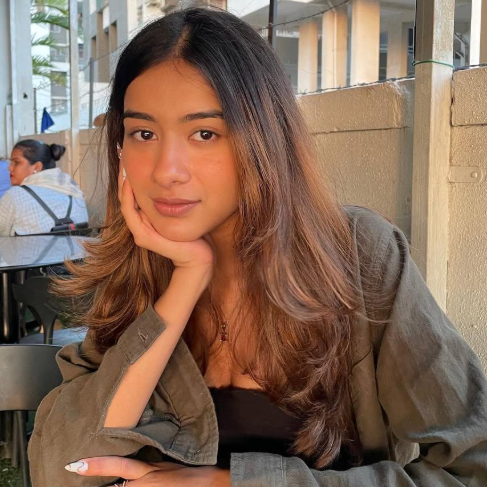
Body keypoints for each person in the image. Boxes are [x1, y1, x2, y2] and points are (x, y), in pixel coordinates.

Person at [28, 7, 487, 487]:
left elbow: (470, 470)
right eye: (144, 133)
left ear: (264, 138)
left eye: (205, 133)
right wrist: (184, 284)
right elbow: (60, 469)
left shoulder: (358, 257)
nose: (166, 170)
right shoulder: (136, 271)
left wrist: (226, 483)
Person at [0, 140, 89, 236]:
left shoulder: (16, 195)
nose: (9, 168)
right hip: (75, 246)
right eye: (11, 162)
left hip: (29, 246)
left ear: (37, 167)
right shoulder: (74, 192)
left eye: (16, 162)